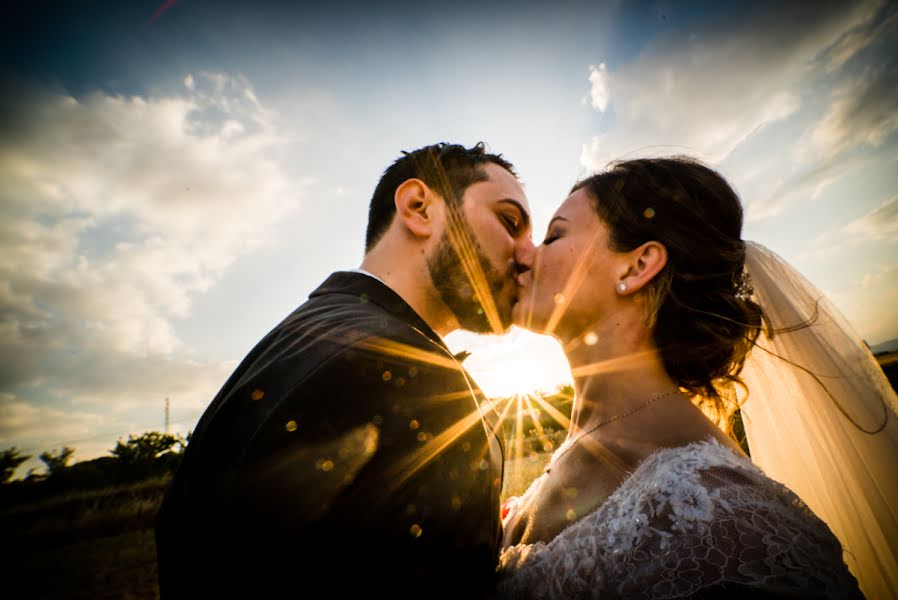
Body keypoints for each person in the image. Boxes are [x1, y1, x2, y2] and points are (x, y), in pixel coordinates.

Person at [497, 157, 896, 598]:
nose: (524, 253)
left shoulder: (728, 520)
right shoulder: (584, 440)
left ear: (636, 266)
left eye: (554, 235)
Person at [155, 142, 535, 598]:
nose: (527, 254)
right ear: (418, 208)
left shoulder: (287, 342)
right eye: (510, 222)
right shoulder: (427, 385)